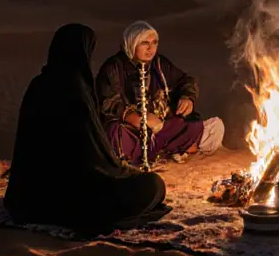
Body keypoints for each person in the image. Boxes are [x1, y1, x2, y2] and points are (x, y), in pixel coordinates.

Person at [4, 23, 168, 235]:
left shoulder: (38, 84)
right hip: (74, 198)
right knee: (153, 185)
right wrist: (121, 171)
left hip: (27, 199)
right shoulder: (76, 90)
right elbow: (92, 155)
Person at [96, 21, 225, 168]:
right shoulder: (113, 67)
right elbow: (108, 103)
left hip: (161, 126)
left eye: (154, 43)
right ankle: (161, 152)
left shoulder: (159, 64)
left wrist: (187, 97)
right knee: (114, 135)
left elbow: (186, 81)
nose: (151, 49)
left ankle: (166, 149)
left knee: (215, 127)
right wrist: (137, 118)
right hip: (132, 129)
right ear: (131, 44)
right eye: (145, 43)